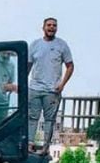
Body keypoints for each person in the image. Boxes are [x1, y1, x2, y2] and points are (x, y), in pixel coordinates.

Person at [27, 17, 74, 153]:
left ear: (56, 28)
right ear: (43, 28)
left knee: (49, 120)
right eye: (49, 25)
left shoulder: (62, 45)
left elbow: (70, 66)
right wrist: (21, 84)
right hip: (35, 88)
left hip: (52, 90)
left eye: (54, 25)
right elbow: (28, 66)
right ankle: (30, 144)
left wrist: (62, 84)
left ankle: (45, 147)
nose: (51, 27)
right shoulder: (35, 45)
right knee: (32, 117)